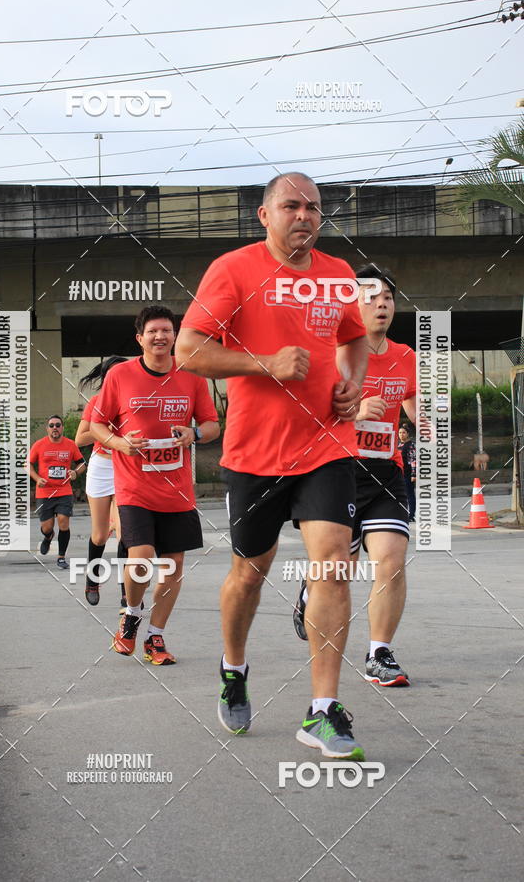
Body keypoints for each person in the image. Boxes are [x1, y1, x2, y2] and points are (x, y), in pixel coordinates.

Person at [175, 172, 369, 759]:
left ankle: (323, 711)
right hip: (255, 454)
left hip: (327, 444)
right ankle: (233, 667)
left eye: (314, 207)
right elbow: (189, 350)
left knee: (333, 565)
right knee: (249, 573)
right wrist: (265, 363)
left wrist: (353, 383)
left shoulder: (338, 274)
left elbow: (354, 338)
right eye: (291, 205)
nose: (304, 215)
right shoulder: (234, 270)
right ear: (265, 215)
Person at [293, 264, 417, 687]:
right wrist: (355, 410)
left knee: (391, 561)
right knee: (337, 575)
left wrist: (429, 421)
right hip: (335, 470)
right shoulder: (329, 352)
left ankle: (379, 653)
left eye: (388, 298)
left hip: (386, 473)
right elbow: (305, 412)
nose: (382, 304)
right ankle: (310, 589)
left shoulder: (405, 357)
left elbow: (413, 403)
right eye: (371, 297)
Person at [90, 306, 220, 665]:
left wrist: (194, 434)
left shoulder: (191, 374)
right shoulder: (120, 375)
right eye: (153, 331)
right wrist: (120, 443)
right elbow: (97, 425)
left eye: (166, 330)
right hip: (134, 486)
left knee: (173, 566)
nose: (160, 336)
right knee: (142, 556)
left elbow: (212, 425)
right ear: (140, 338)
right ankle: (132, 613)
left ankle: (155, 635)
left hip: (177, 490)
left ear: (175, 336)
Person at [75, 356, 128, 606]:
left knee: (125, 533)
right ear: (107, 378)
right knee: (99, 535)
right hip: (102, 467)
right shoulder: (97, 402)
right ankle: (92, 579)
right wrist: (104, 430)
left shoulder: (136, 401)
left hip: (126, 468)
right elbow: (80, 439)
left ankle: (127, 592)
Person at [28, 415, 86, 570]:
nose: (55, 428)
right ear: (47, 428)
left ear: (62, 428)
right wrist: (37, 478)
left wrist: (75, 472)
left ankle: (61, 557)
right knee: (47, 527)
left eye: (58, 425)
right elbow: (27, 465)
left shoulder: (70, 445)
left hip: (64, 491)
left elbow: (82, 464)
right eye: (51, 425)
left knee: (63, 521)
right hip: (44, 493)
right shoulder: (39, 445)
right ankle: (48, 536)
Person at [398, 424, 417, 522]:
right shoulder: (398, 445)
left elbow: (414, 460)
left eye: (403, 433)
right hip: (398, 473)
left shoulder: (410, 445)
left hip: (408, 473)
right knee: (400, 494)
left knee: (409, 494)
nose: (401, 435)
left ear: (408, 434)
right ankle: (401, 513)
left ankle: (411, 515)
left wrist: (413, 474)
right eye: (400, 433)